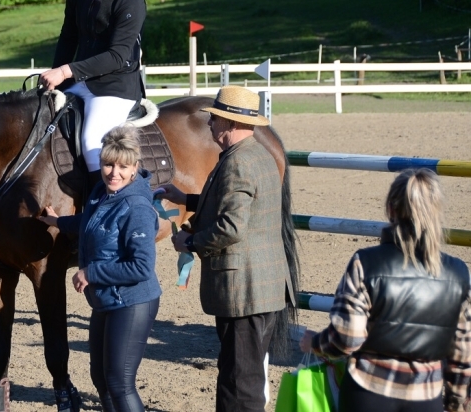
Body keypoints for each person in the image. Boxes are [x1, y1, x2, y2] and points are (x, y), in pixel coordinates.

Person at [159, 85, 294, 412]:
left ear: (231, 124)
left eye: (215, 119)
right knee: (242, 377)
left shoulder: (237, 163)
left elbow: (232, 226)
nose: (209, 124)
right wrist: (187, 199)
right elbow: (239, 205)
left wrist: (190, 241)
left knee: (239, 383)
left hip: (244, 290)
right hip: (262, 286)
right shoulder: (257, 155)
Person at [300, 168, 471, 412]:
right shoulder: (458, 273)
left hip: (367, 393)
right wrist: (455, 402)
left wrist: (315, 343)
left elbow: (347, 338)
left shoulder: (365, 262)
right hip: (426, 397)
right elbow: (462, 353)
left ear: (390, 209)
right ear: (436, 211)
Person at [39, 124, 161, 412]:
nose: (114, 173)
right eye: (108, 164)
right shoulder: (100, 193)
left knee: (119, 383)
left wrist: (90, 273)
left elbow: (142, 266)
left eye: (123, 167)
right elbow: (90, 222)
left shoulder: (137, 207)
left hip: (132, 301)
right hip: (106, 298)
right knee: (101, 379)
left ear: (135, 169)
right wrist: (57, 222)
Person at [39, 0, 146, 189]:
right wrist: (54, 79)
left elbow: (117, 56)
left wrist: (66, 71)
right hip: (81, 80)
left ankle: (105, 206)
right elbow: (69, 36)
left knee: (91, 142)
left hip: (115, 86)